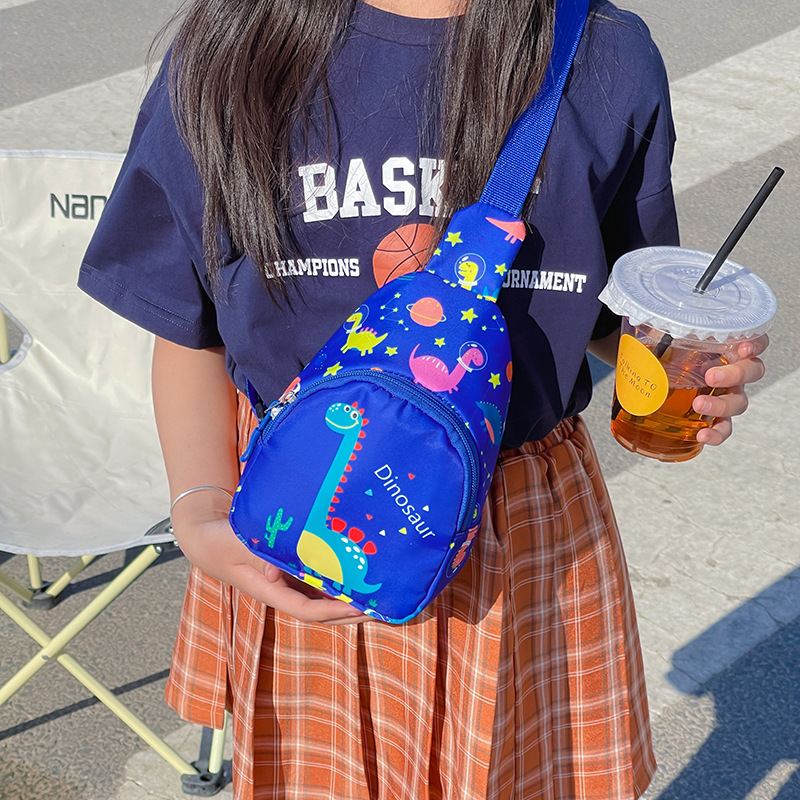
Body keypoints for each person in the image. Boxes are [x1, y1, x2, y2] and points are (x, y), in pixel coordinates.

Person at [79, 0, 767, 797]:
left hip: (514, 525)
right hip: (300, 506)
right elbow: (187, 317)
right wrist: (200, 507)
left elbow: (611, 311)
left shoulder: (605, 55)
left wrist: (685, 371)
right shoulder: (232, 45)